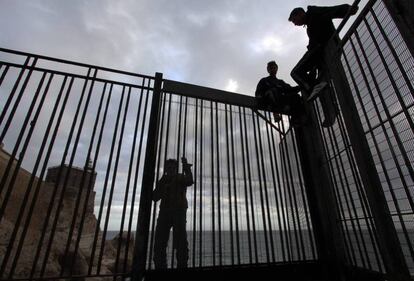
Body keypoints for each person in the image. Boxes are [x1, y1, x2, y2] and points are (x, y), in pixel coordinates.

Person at [289, 4, 358, 101]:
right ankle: (324, 93)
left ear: (300, 14)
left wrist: (348, 9)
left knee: (295, 72)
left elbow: (330, 10)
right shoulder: (310, 24)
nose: (295, 24)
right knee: (322, 77)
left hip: (322, 48)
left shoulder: (314, 13)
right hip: (321, 52)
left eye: (294, 20)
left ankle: (314, 87)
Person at [152, 157, 193, 269]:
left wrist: (186, 167)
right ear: (165, 169)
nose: (170, 169)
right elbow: (155, 197)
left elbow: (189, 181)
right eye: (168, 168)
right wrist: (159, 183)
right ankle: (161, 267)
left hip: (179, 212)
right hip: (164, 212)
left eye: (172, 168)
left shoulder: (180, 177)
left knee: (181, 242)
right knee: (159, 242)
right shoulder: (163, 180)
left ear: (175, 169)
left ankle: (182, 266)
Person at [255, 60, 306, 125]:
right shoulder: (264, 80)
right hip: (268, 101)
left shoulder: (280, 82)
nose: (272, 69)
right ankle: (276, 113)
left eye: (274, 68)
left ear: (276, 69)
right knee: (272, 91)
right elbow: (258, 94)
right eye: (270, 68)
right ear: (268, 70)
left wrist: (300, 86)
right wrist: (264, 102)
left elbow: (290, 89)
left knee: (296, 96)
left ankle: (295, 119)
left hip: (281, 101)